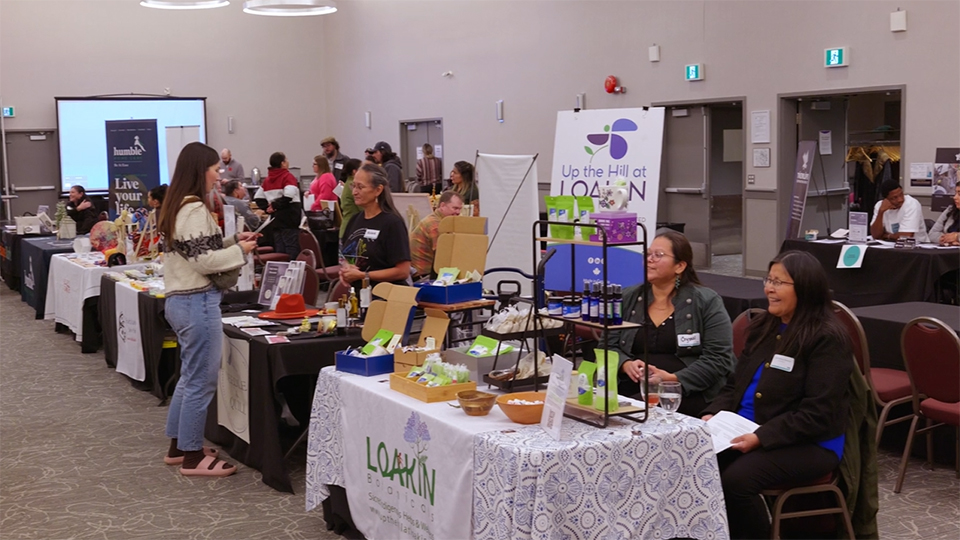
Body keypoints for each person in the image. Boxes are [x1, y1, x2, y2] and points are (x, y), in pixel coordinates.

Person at [702, 250, 853, 539]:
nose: (769, 288)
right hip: (743, 429)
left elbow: (818, 413)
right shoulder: (765, 327)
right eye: (768, 279)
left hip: (810, 443)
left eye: (779, 282)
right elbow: (734, 384)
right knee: (692, 465)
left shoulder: (826, 338)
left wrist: (762, 437)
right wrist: (713, 416)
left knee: (736, 481)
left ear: (805, 287)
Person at [157, 142, 259, 477]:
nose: (219, 174)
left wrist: (233, 243)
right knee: (201, 381)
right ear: (201, 170)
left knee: (190, 378)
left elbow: (198, 251)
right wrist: (240, 252)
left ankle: (180, 446)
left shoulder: (177, 207)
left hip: (183, 300)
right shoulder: (194, 210)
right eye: (215, 169)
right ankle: (191, 457)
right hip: (196, 301)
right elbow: (205, 261)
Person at [607, 230, 735, 416]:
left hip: (687, 391)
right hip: (632, 386)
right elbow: (606, 346)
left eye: (658, 255)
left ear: (680, 266)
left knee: (634, 413)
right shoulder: (628, 297)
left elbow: (719, 359)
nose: (649, 259)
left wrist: (672, 379)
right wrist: (626, 364)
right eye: (648, 254)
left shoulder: (706, 301)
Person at [339, 162, 411, 289]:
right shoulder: (354, 220)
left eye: (360, 187)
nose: (354, 192)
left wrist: (364, 275)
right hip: (357, 296)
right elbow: (345, 257)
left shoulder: (392, 223)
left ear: (378, 190)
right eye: (353, 186)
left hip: (383, 297)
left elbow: (403, 271)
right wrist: (345, 270)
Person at [253, 152, 303, 260]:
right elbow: (289, 196)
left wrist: (268, 208)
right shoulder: (288, 176)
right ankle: (292, 275)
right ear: (283, 163)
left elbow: (257, 197)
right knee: (291, 248)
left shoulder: (267, 180)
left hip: (275, 220)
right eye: (286, 160)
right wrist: (275, 205)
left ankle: (281, 274)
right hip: (290, 220)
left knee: (280, 251)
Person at [409, 191, 464, 277]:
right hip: (424, 275)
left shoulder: (435, 219)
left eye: (460, 209)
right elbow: (443, 255)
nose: (458, 212)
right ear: (442, 206)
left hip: (422, 272)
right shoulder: (435, 225)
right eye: (455, 208)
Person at [338, 159, 362, 239]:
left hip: (347, 226)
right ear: (355, 171)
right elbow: (362, 207)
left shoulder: (348, 183)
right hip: (351, 228)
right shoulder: (353, 185)